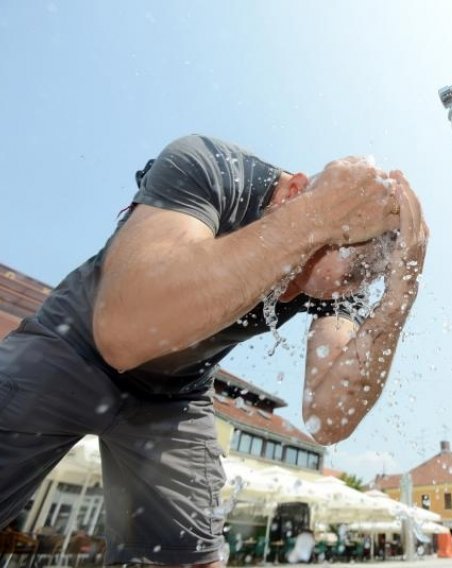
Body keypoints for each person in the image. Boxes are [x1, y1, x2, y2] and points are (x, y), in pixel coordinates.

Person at [0, 134, 428, 566]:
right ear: (295, 193)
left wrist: (400, 296)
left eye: (356, 282)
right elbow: (123, 332)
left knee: (193, 559)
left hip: (174, 396)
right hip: (73, 344)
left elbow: (330, 418)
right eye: (309, 264)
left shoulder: (339, 280)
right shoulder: (215, 169)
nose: (306, 291)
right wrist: (313, 219)